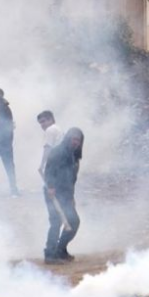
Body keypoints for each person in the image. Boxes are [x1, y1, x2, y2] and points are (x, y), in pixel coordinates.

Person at [43, 128, 84, 264]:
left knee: (73, 222)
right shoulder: (58, 152)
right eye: (74, 139)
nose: (76, 142)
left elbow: (71, 179)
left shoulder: (73, 155)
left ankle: (60, 250)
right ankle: (50, 255)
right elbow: (49, 169)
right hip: (53, 192)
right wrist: (50, 186)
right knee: (56, 222)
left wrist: (71, 197)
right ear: (68, 138)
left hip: (66, 194)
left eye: (78, 140)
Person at [36, 110, 64, 179]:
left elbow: (47, 148)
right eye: (40, 123)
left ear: (51, 120)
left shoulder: (50, 130)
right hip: (63, 163)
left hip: (56, 164)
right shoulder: (58, 129)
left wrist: (42, 165)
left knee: (51, 184)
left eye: (43, 121)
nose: (42, 125)